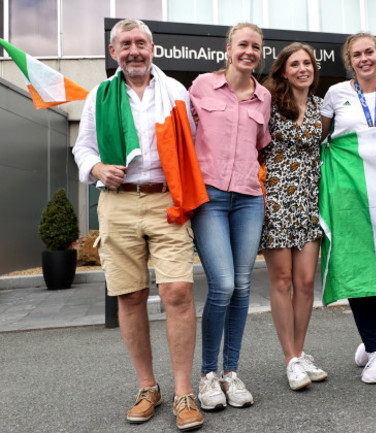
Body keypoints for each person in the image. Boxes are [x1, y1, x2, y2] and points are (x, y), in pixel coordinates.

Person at [72, 19, 205, 430]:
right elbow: (83, 146)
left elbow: (194, 143)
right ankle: (148, 387)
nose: (134, 50)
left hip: (167, 199)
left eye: (141, 44)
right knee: (129, 297)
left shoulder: (176, 92)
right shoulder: (100, 95)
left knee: (178, 291)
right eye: (125, 44)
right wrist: (96, 167)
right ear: (114, 52)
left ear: (153, 49)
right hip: (119, 202)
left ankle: (184, 392)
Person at [188, 22, 271, 410]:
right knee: (221, 285)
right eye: (243, 44)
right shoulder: (202, 86)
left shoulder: (264, 97)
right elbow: (183, 138)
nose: (249, 51)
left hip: (249, 200)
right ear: (228, 48)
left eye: (255, 46)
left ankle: (230, 373)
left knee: (242, 285)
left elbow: (260, 147)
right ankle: (206, 375)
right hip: (210, 199)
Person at [321, 32, 376, 384]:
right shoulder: (336, 94)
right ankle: (375, 353)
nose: (364, 58)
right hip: (349, 193)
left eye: (370, 52)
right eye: (357, 54)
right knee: (356, 268)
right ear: (349, 61)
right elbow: (319, 140)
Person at [260, 43, 328, 391]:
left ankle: (299, 353)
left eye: (307, 63)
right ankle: (289, 358)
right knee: (282, 281)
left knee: (304, 283)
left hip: (310, 203)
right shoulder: (269, 104)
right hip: (276, 202)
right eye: (295, 64)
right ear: (283, 71)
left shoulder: (321, 108)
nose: (303, 68)